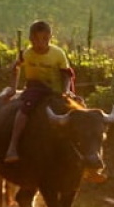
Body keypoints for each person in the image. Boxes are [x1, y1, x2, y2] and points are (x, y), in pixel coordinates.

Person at [5, 20, 74, 164]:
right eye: (36, 39)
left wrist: (66, 90)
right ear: (30, 39)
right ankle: (13, 146)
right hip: (35, 89)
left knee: (79, 110)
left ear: (50, 38)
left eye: (44, 39)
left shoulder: (58, 53)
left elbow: (66, 74)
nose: (40, 43)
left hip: (56, 90)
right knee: (24, 110)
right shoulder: (26, 54)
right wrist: (12, 88)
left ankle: (86, 158)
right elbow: (15, 68)